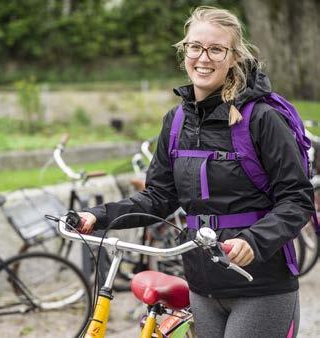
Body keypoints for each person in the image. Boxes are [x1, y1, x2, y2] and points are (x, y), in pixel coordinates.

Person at [78, 6, 314, 338]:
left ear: (233, 56)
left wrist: (254, 240)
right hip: (202, 288)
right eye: (195, 47)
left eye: (216, 49)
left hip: (260, 287)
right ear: (184, 51)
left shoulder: (261, 119)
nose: (203, 57)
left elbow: (297, 200)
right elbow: (158, 198)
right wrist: (96, 216)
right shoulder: (175, 122)